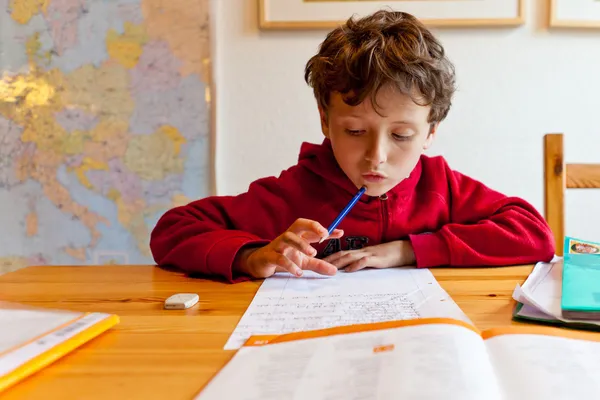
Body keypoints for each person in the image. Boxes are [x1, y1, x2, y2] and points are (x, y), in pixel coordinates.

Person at [149, 10, 555, 283]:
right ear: (325, 121)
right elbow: (173, 229)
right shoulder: (294, 191)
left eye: (401, 136)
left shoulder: (440, 186)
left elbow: (534, 234)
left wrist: (407, 251)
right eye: (355, 132)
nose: (376, 157)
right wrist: (252, 256)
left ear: (431, 131)